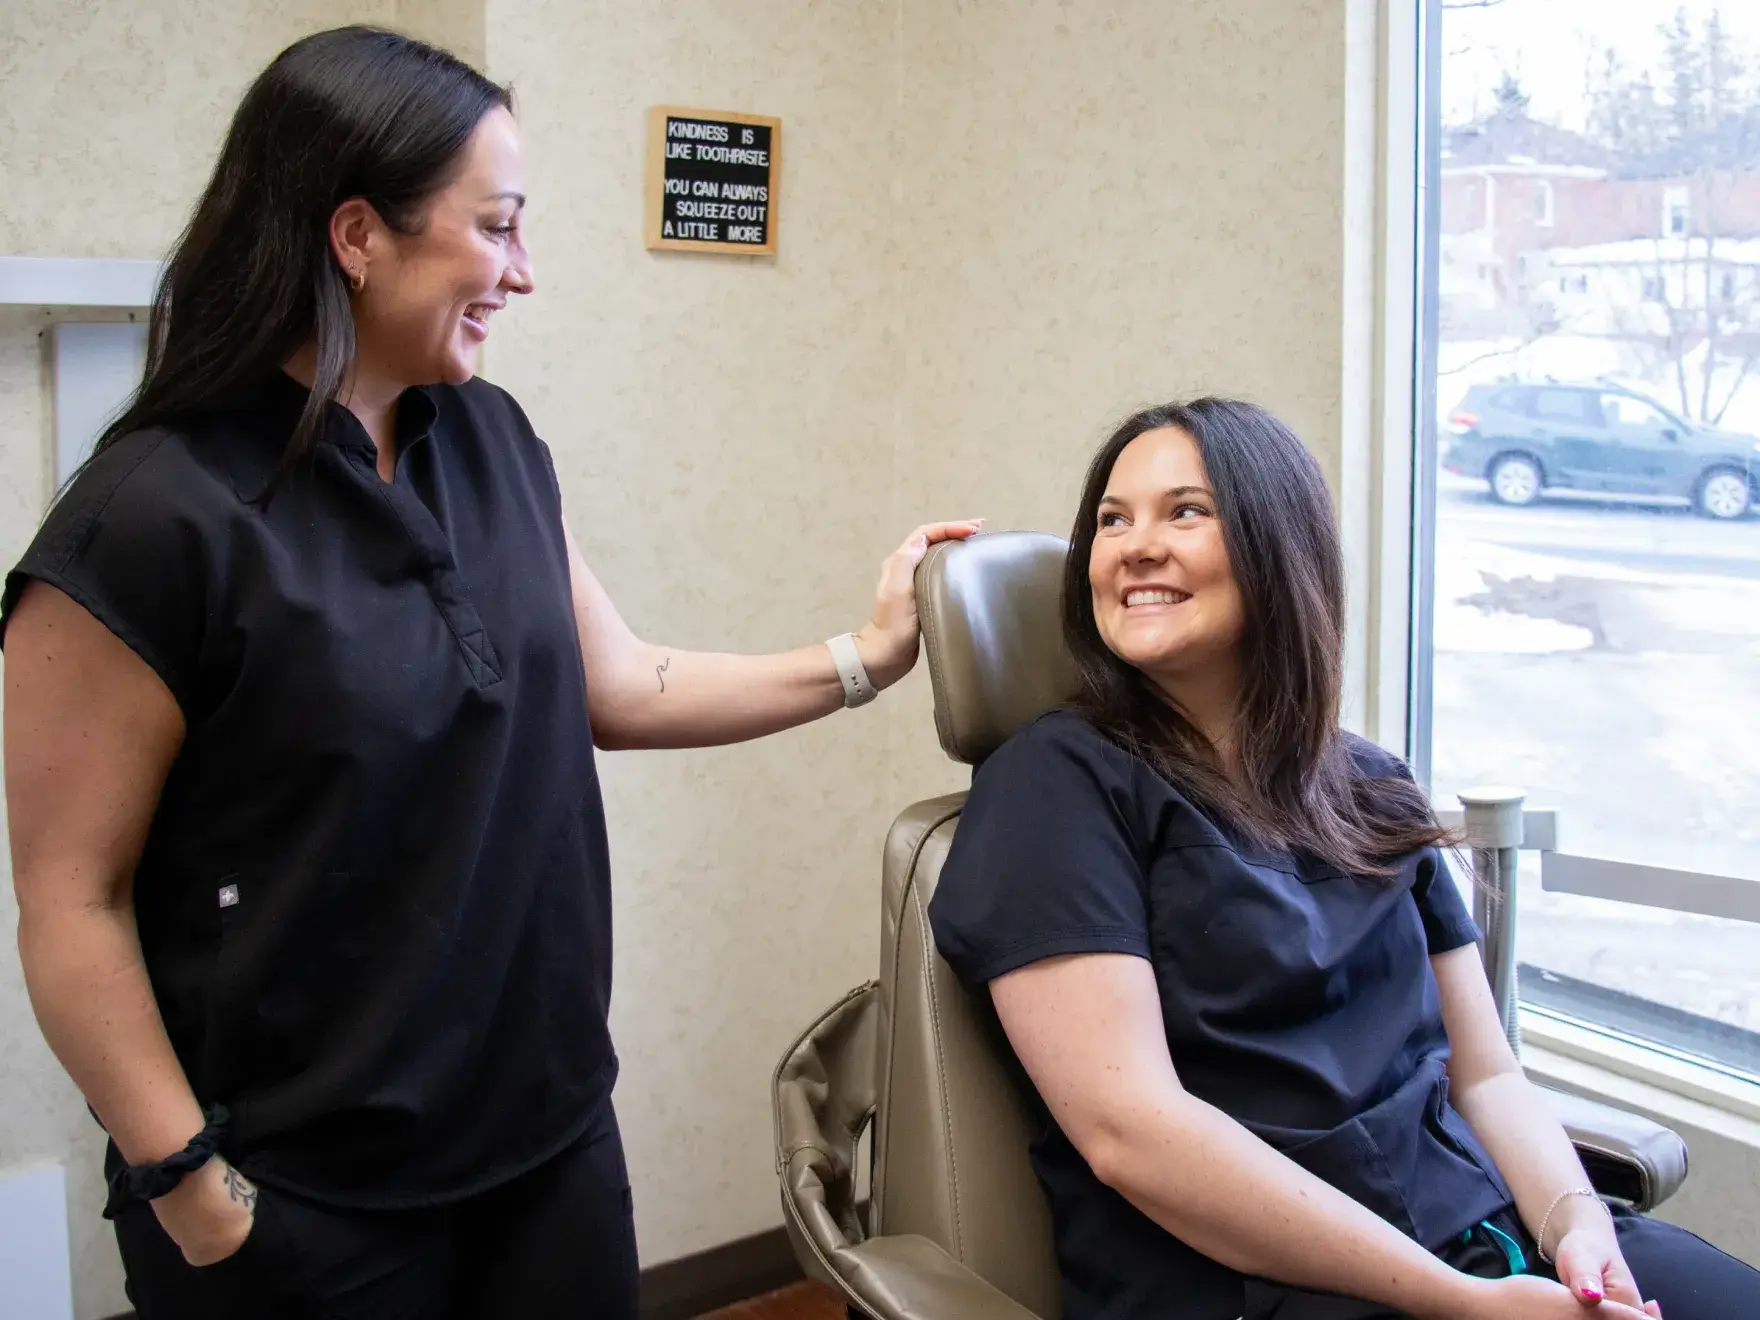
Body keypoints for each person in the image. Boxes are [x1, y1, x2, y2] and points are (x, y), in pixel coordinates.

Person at [1, 26, 976, 1320]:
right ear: (358, 234)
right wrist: (193, 1189)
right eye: (498, 227)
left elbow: (622, 687)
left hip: (546, 1148)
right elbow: (73, 902)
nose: (525, 271)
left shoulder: (494, 441)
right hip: (302, 1202)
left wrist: (870, 655)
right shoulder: (150, 520)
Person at [927, 398, 1760, 1320]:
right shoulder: (1057, 783)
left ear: (1280, 545)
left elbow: (1485, 1074)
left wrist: (1578, 1229)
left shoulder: (1370, 782)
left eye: (1185, 511)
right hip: (1263, 1285)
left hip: (1478, 1238)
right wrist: (1460, 1303)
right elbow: (1134, 1133)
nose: (1134, 545)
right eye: (1113, 520)